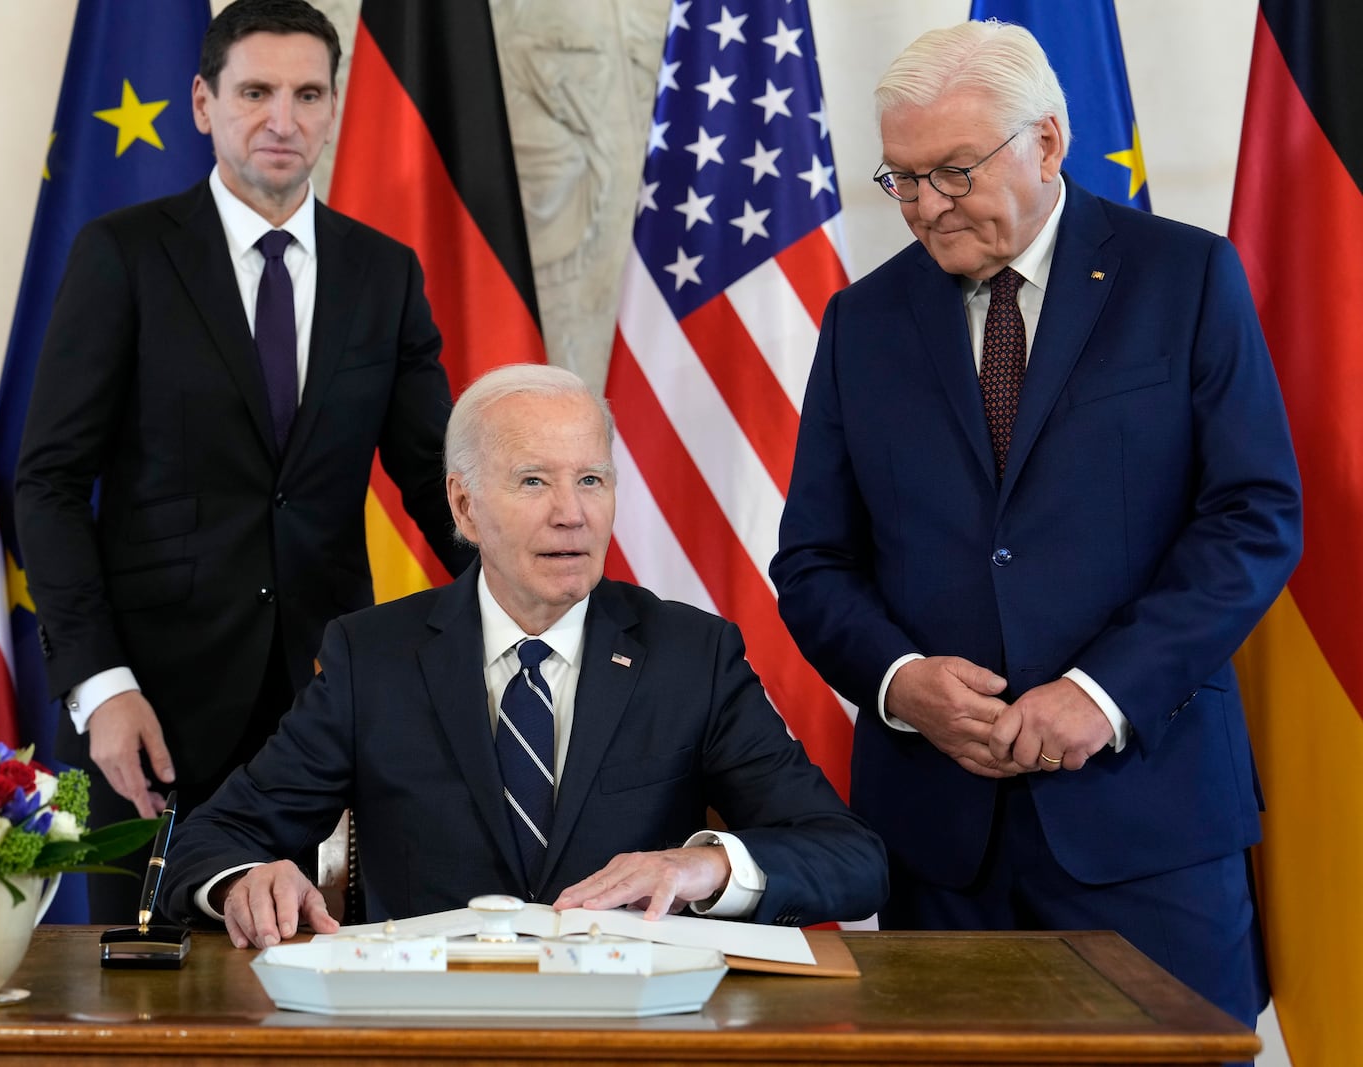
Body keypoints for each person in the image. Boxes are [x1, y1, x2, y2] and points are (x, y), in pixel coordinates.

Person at [770, 21, 1301, 1029]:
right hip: (939, 838)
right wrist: (898, 682)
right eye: (902, 178)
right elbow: (814, 561)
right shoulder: (862, 323)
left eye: (953, 171)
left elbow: (1252, 517)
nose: (924, 206)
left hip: (1145, 818)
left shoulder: (1184, 279)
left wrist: (1101, 693)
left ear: (1046, 143)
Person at [14, 0, 472, 922]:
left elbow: (438, 481)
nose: (282, 119)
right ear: (201, 102)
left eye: (308, 93)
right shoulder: (125, 255)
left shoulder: (384, 273)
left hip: (331, 706)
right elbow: (51, 482)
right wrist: (102, 688)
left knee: (324, 990)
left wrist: (535, 610)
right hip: (155, 716)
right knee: (152, 1007)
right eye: (256, 91)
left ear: (333, 106)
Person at [163, 364, 888, 945]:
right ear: (465, 505)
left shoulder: (690, 655)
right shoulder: (373, 657)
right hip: (426, 1037)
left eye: (591, 480)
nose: (571, 512)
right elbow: (212, 840)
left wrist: (703, 863)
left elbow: (852, 860)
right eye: (535, 480)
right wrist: (242, 881)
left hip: (632, 1042)